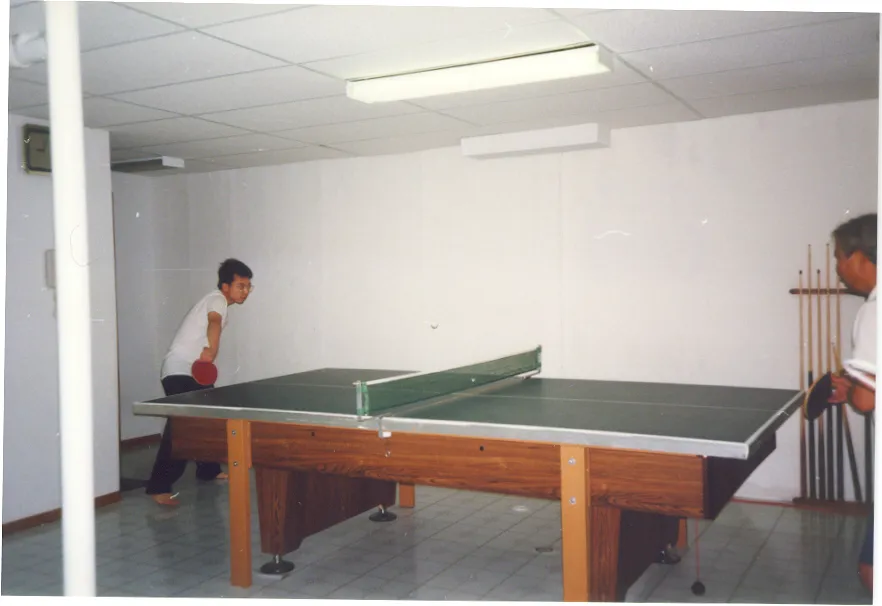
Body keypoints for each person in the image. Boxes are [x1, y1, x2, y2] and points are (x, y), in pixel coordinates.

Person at [145, 258, 254, 506]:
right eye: (240, 286)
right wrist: (211, 350)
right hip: (178, 371)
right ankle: (158, 486)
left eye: (248, 287)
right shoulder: (217, 300)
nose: (245, 291)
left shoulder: (219, 301)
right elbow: (214, 323)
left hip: (191, 372)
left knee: (209, 418)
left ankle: (208, 470)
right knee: (183, 428)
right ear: (225, 286)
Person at [828, 213, 875, 591]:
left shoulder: (873, 311)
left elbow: (865, 400)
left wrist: (854, 390)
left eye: (840, 256)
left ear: (860, 257)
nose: (839, 269)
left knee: (871, 569)